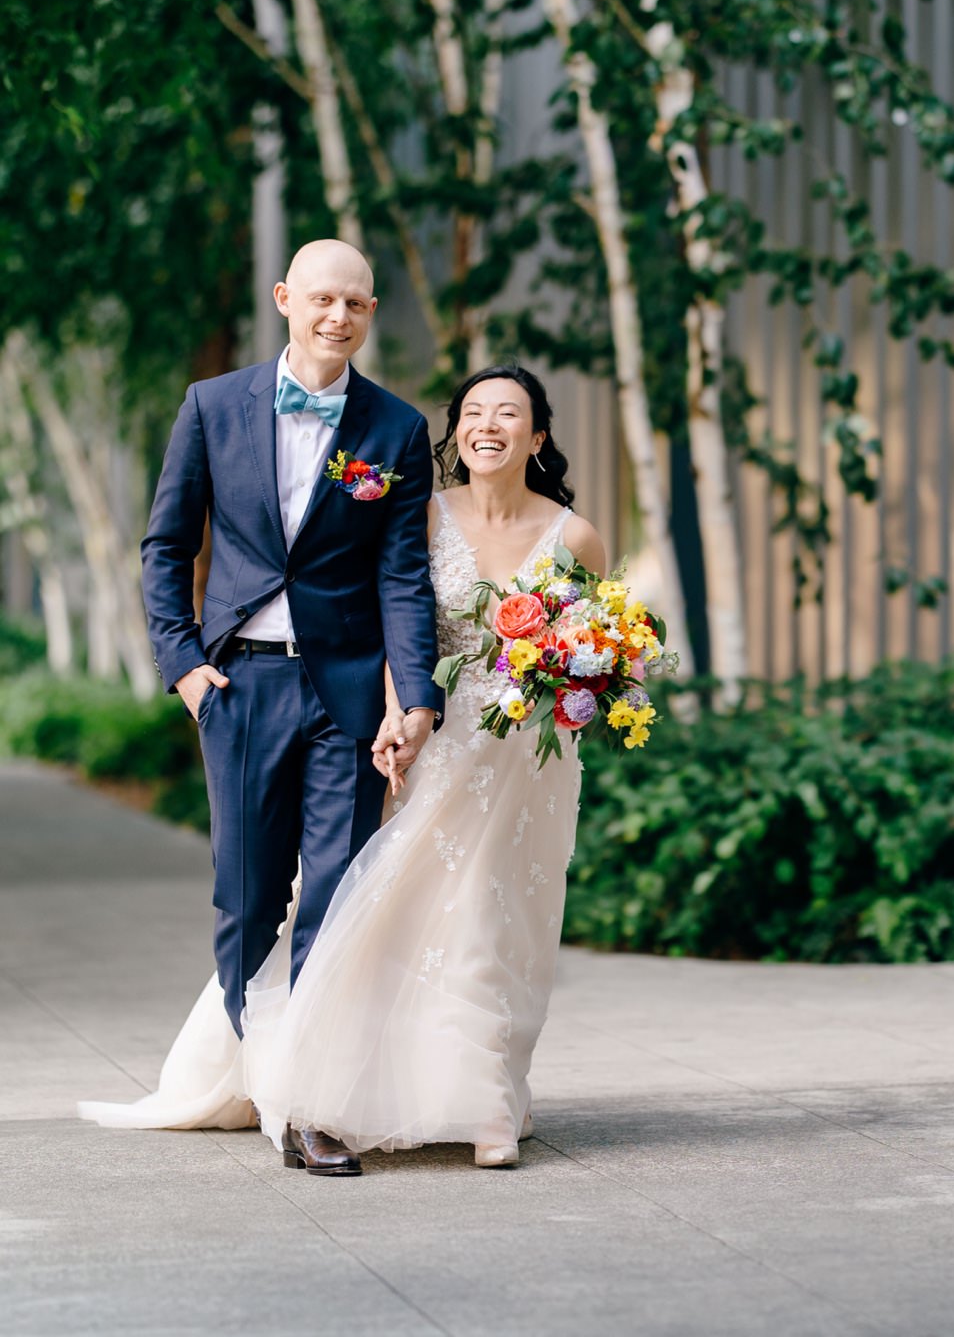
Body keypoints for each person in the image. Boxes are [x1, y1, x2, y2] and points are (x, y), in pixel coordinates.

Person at [83, 362, 609, 1174]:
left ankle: (492, 1097)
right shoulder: (426, 515)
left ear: (539, 436)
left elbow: (597, 643)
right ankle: (305, 1076)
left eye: (509, 414)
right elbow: (395, 603)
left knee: (504, 928)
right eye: (474, 411)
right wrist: (404, 712)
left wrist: (585, 679)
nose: (489, 425)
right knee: (381, 915)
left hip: (526, 762)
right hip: (429, 740)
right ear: (456, 429)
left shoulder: (573, 535)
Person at [109, 240, 443, 1175]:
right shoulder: (214, 405)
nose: (339, 318)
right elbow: (165, 544)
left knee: (336, 896)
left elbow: (402, 574)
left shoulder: (396, 427)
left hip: (346, 692)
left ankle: (314, 1104)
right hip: (241, 683)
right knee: (249, 896)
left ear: (371, 313)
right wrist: (182, 666)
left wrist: (413, 696)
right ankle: (256, 1067)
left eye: (358, 305)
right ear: (286, 299)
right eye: (323, 299)